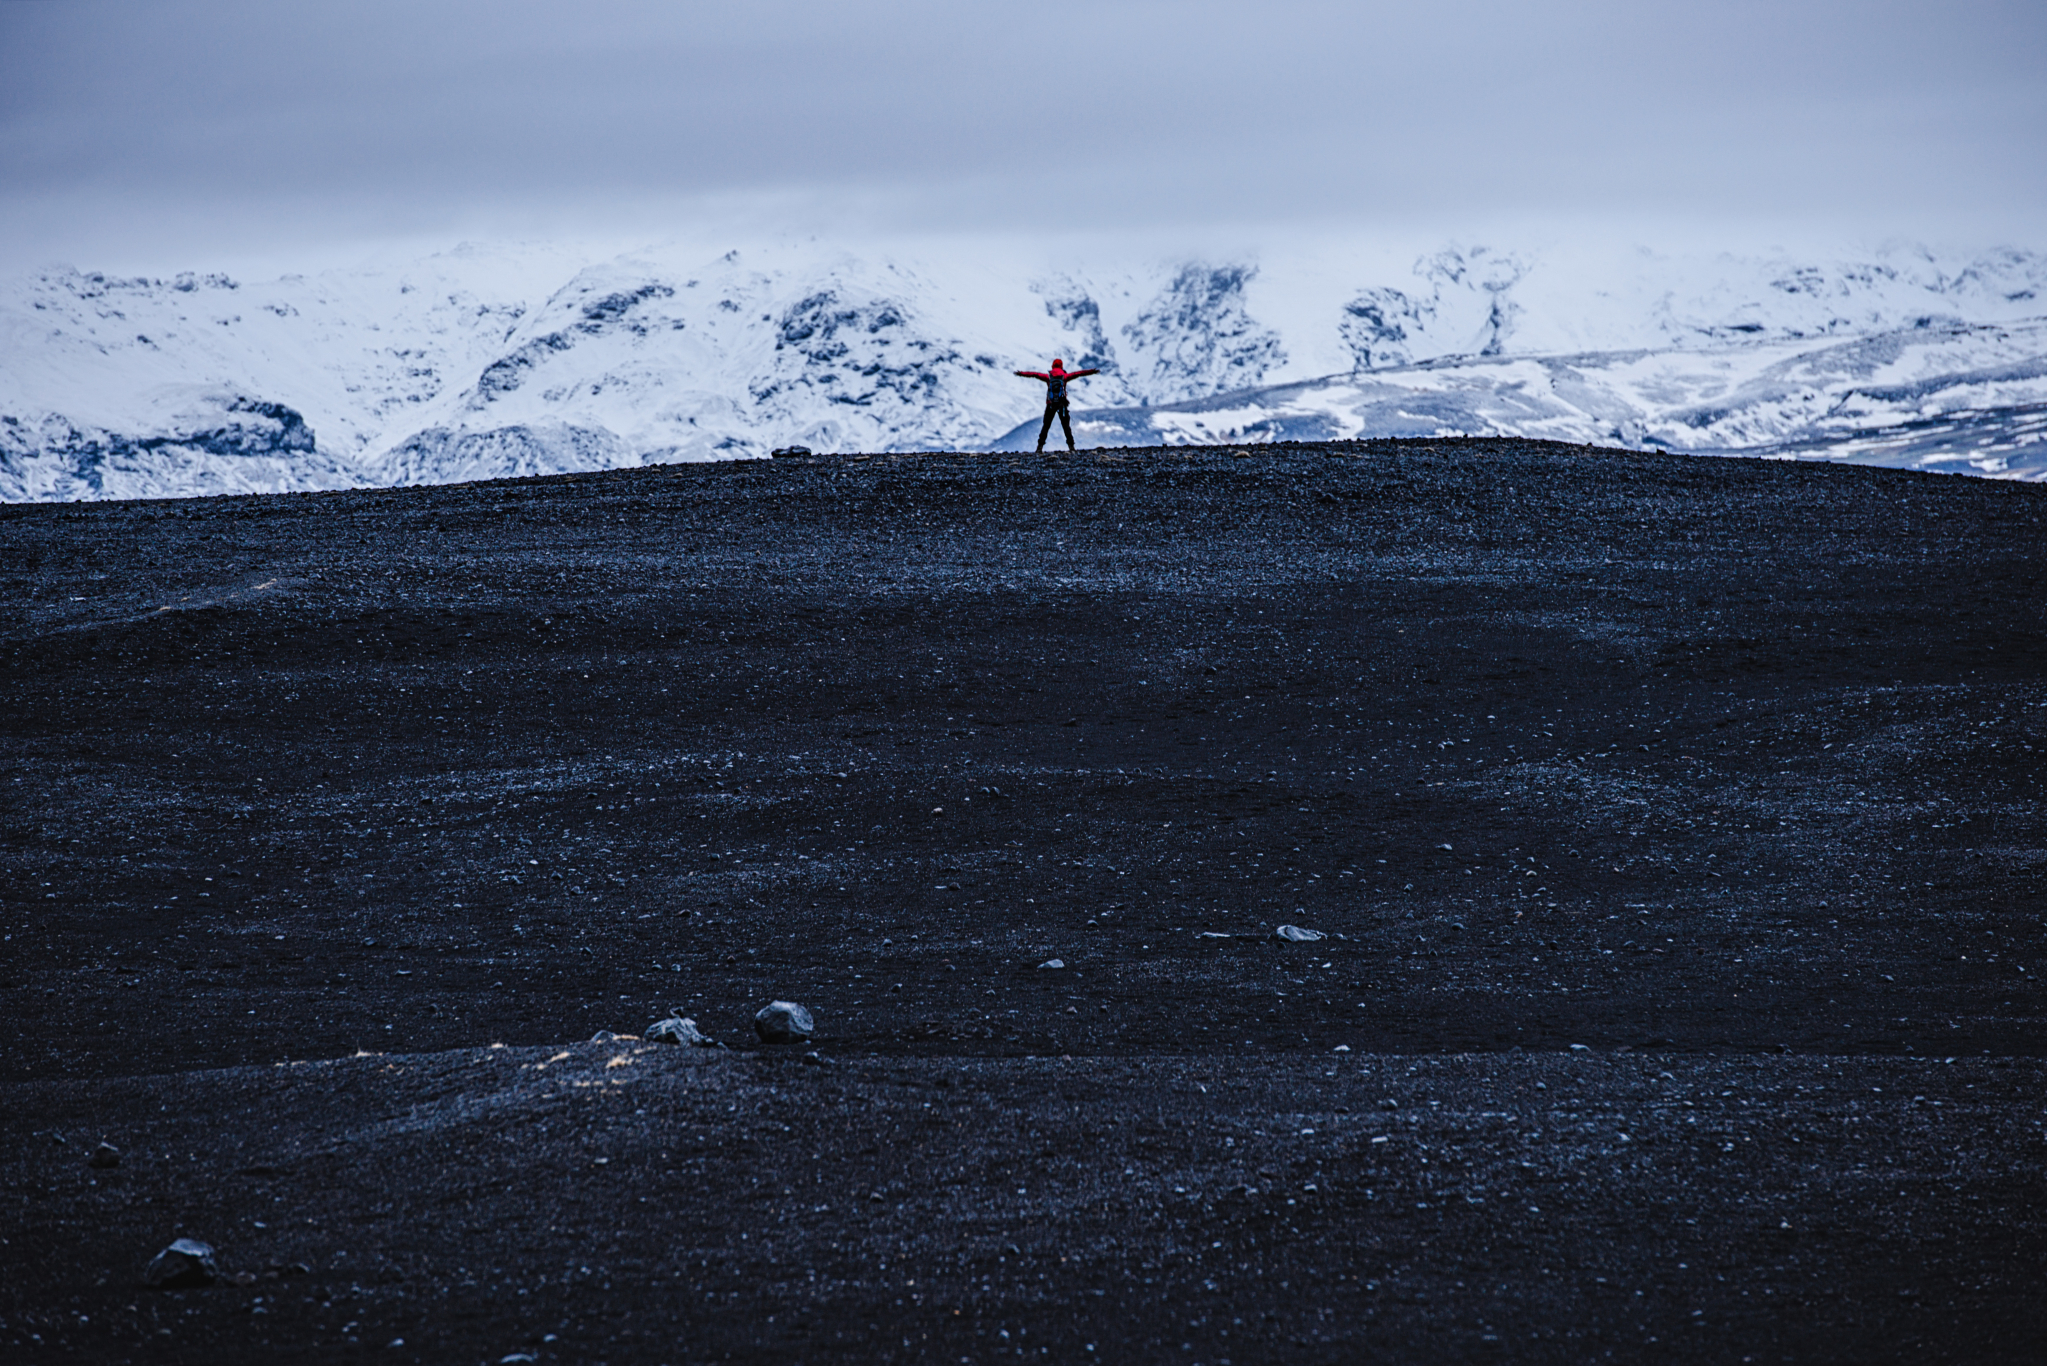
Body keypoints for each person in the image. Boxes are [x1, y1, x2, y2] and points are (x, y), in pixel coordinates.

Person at [1014, 358, 1100, 452]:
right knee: (1066, 426)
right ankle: (1071, 447)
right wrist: (1091, 371)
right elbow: (1078, 373)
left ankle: (1039, 447)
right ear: (1061, 366)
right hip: (1061, 404)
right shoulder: (1065, 376)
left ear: (1052, 366)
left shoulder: (1048, 377)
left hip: (1050, 404)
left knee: (1046, 426)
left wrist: (1021, 373)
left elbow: (1034, 374)